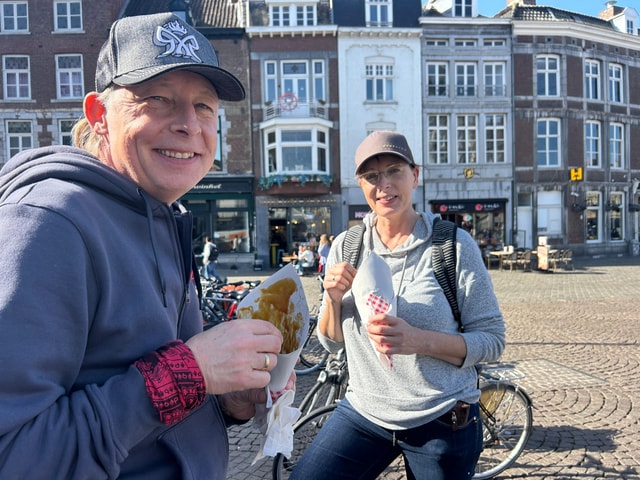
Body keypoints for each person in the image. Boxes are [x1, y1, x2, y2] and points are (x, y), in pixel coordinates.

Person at [0, 13, 292, 479]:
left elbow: (153, 414)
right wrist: (188, 372)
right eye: (158, 99)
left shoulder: (164, 214)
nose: (189, 124)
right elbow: (14, 455)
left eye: (204, 106)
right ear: (99, 116)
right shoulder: (48, 223)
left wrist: (226, 399)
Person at [291, 131, 506, 479]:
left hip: (441, 417)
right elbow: (331, 343)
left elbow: (492, 340)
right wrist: (332, 298)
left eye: (394, 171)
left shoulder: (453, 245)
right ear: (361, 185)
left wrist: (419, 340)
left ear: (415, 176)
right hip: (365, 411)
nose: (384, 185)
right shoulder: (347, 246)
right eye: (372, 176)